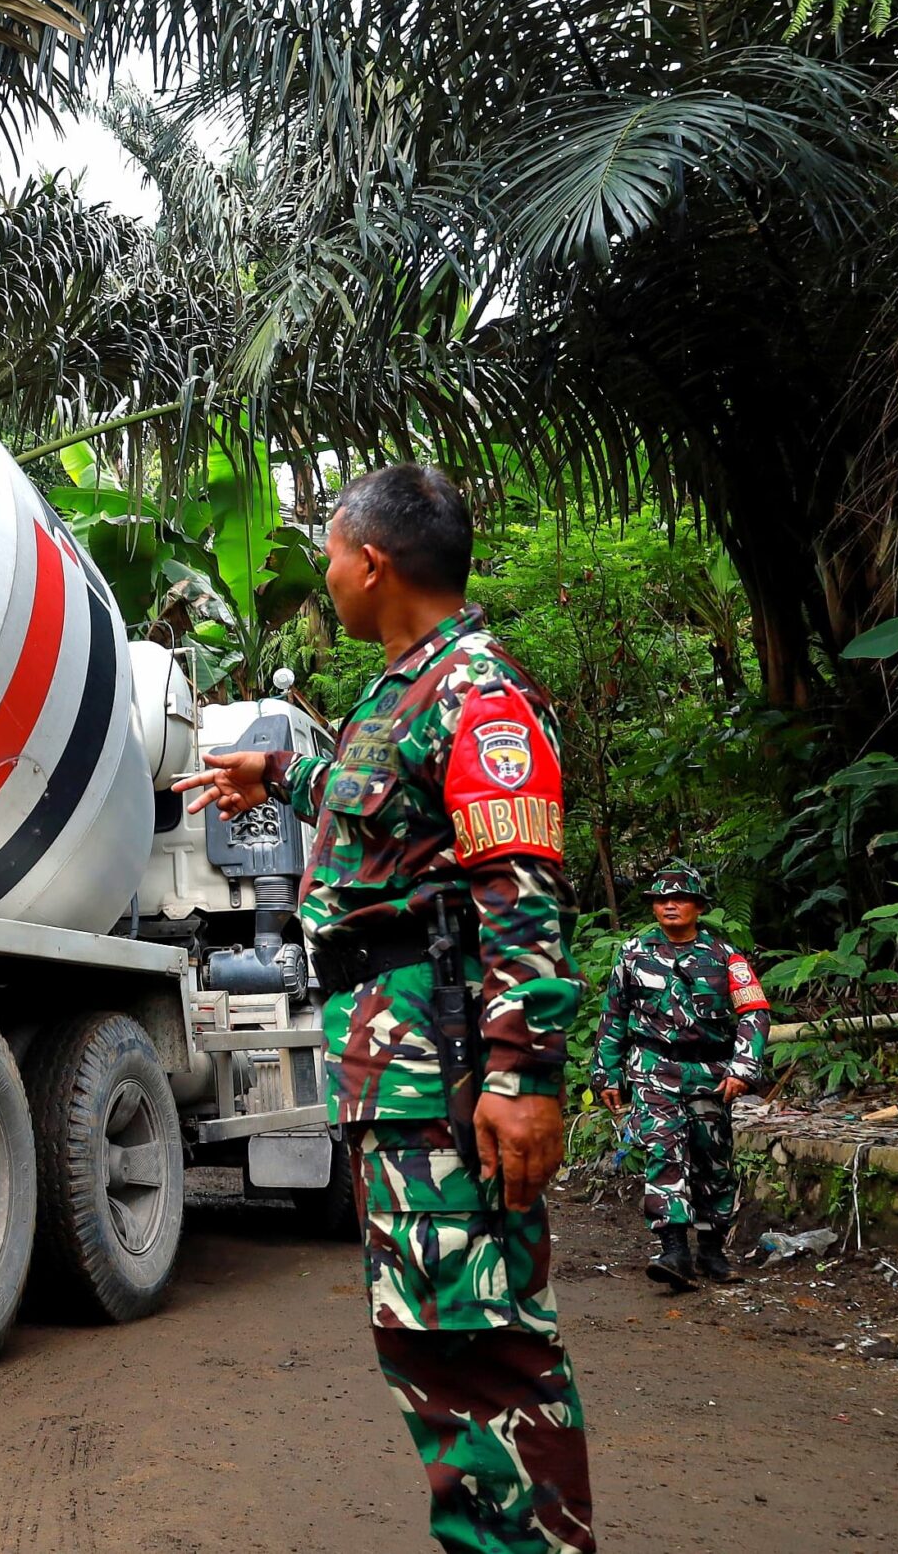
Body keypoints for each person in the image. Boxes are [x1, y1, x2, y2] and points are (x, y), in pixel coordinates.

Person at [177, 462, 593, 1554]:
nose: (324, 573)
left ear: (371, 560)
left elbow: (517, 887)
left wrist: (519, 1075)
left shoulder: (479, 692)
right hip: (393, 1069)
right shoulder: (401, 692)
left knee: (485, 1345)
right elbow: (372, 806)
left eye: (327, 553)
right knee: (428, 1345)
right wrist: (274, 774)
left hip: (447, 1069)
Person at [594, 861, 769, 1290]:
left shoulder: (725, 956)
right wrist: (607, 1074)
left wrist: (744, 1068)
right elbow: (614, 1015)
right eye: (662, 900)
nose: (670, 906)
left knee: (712, 1157)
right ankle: (673, 1250)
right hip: (653, 1067)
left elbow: (754, 1012)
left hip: (711, 1069)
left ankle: (712, 1251)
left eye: (680, 899)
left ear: (698, 906)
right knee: (664, 1151)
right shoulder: (633, 953)